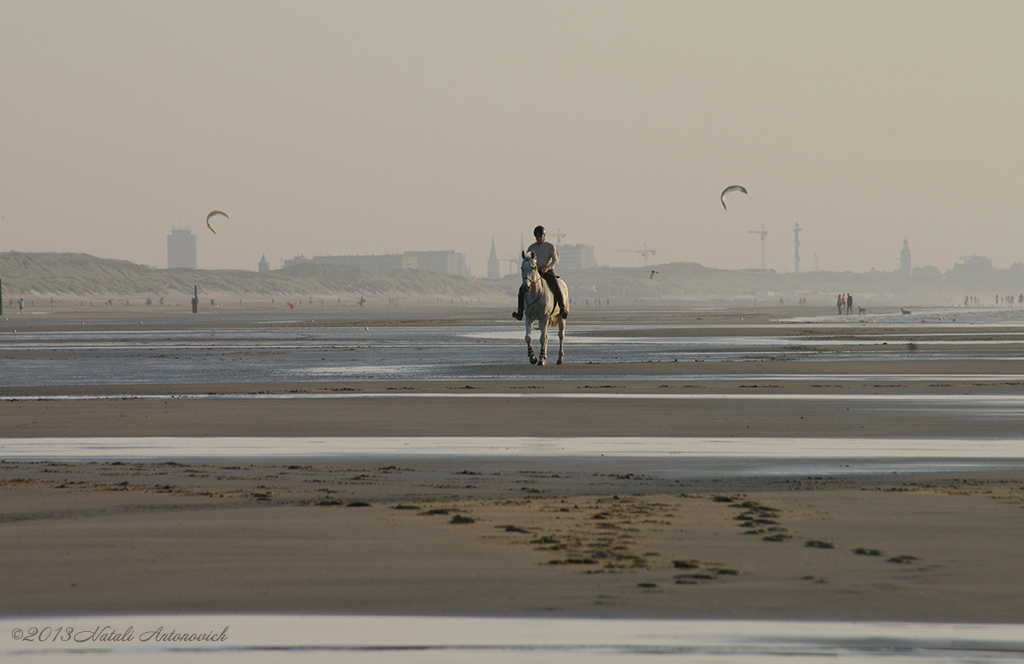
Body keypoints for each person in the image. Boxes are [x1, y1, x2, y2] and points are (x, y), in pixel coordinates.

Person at [513, 225, 567, 320]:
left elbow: (555, 260)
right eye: (537, 237)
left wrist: (548, 267)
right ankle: (520, 311)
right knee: (522, 289)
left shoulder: (550, 247)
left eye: (540, 236)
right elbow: (528, 260)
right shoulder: (531, 248)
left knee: (555, 286)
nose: (538, 238)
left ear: (544, 235)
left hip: (547, 271)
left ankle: (562, 308)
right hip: (535, 272)